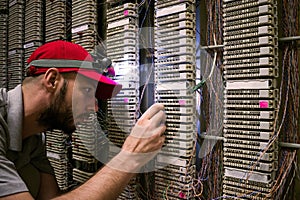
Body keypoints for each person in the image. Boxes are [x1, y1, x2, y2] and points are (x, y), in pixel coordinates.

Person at [0, 40, 166, 200]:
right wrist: (130, 156)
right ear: (52, 80)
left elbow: (50, 197)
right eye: (87, 90)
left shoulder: (34, 139)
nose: (94, 108)